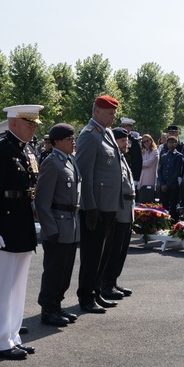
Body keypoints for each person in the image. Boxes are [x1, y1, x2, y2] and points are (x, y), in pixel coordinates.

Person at [0, 104, 41, 358]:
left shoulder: (24, 151)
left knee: (17, 286)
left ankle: (12, 336)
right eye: (29, 123)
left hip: (21, 225)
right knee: (3, 287)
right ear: (13, 124)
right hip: (3, 227)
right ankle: (0, 342)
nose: (34, 128)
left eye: (35, 124)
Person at [75, 95, 124, 314]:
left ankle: (96, 292)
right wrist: (90, 206)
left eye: (114, 113)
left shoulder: (108, 133)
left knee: (103, 253)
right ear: (96, 112)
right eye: (110, 113)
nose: (113, 117)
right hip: (96, 206)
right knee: (92, 253)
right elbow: (85, 175)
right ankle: (85, 296)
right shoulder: (88, 136)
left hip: (110, 205)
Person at [34, 123, 81, 327]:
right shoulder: (52, 162)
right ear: (57, 142)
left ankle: (57, 304)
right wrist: (49, 228)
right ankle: (48, 309)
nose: (73, 142)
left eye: (73, 139)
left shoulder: (69, 161)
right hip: (58, 223)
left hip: (71, 223)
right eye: (69, 139)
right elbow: (42, 201)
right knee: (54, 269)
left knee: (65, 269)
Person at [98, 127, 135, 300]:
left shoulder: (122, 158)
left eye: (127, 140)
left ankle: (113, 281)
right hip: (118, 208)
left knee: (122, 249)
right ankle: (106, 283)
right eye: (122, 140)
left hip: (127, 208)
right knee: (113, 248)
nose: (126, 143)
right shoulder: (113, 159)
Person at [157, 136, 184, 220]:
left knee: (173, 206)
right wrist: (162, 184)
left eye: (174, 142)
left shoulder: (179, 156)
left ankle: (173, 223)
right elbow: (160, 171)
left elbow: (177, 172)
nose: (172, 144)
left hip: (173, 186)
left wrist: (168, 185)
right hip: (163, 185)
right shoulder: (164, 156)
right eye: (170, 142)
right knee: (164, 206)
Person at [137, 134, 159, 204]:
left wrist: (139, 164)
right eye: (144, 142)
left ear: (151, 141)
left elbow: (149, 163)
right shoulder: (143, 152)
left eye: (147, 141)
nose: (146, 143)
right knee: (141, 197)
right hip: (142, 177)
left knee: (148, 196)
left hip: (150, 177)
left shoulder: (155, 151)